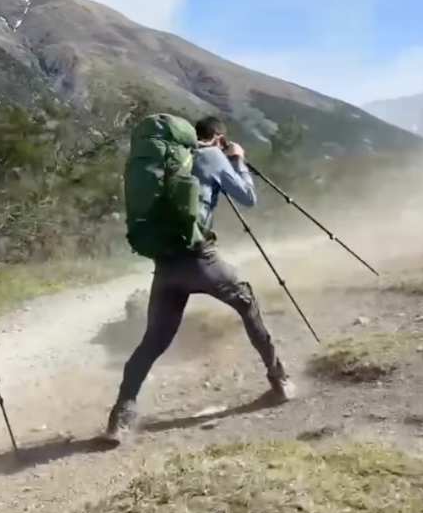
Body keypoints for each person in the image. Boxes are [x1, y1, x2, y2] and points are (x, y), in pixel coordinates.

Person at [103, 116, 296, 444]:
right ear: (218, 138)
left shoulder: (165, 161)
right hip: (200, 260)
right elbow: (248, 197)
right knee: (246, 303)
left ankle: (120, 417)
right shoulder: (213, 156)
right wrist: (237, 160)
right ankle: (279, 379)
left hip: (165, 264)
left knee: (153, 341)